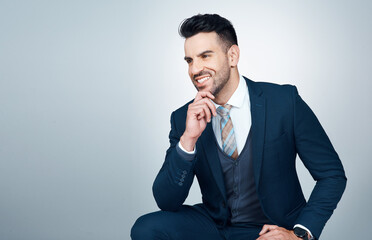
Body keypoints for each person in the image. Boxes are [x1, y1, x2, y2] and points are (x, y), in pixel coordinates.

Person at [131, 14, 346, 240]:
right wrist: (188, 139)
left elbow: (332, 175)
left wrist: (299, 234)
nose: (195, 69)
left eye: (205, 56)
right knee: (146, 228)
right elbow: (166, 201)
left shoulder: (284, 101)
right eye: (189, 60)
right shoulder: (183, 118)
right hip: (215, 226)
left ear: (232, 55)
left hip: (272, 227)